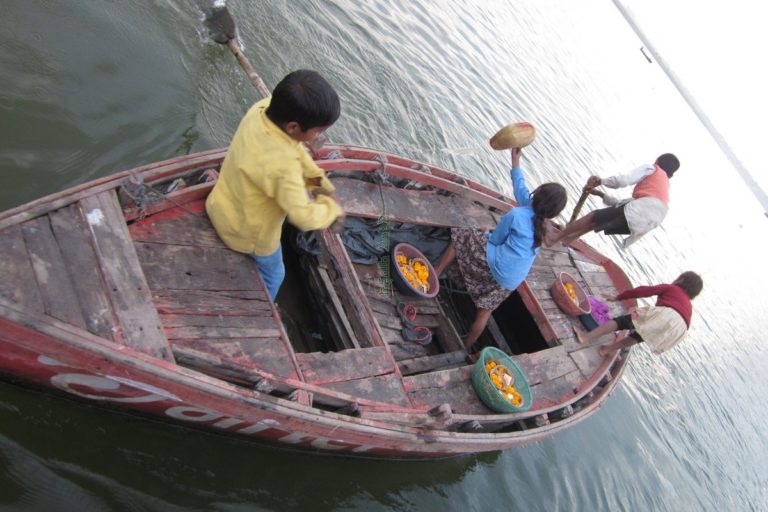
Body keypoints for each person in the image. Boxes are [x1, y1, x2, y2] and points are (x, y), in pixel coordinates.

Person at [206, 70, 345, 300]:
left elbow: (296, 152)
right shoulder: (284, 168)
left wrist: (323, 186)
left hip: (218, 204)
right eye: (319, 131)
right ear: (293, 127)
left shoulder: (261, 108)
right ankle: (263, 306)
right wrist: (332, 209)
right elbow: (304, 217)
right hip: (244, 235)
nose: (320, 136)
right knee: (275, 274)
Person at [433, 148, 567, 353]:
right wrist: (515, 161)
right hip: (510, 282)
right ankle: (465, 349)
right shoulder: (544, 225)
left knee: (462, 234)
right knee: (484, 312)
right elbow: (521, 189)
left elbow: (495, 240)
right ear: (554, 213)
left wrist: (485, 233)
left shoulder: (516, 214)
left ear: (538, 193)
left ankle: (434, 274)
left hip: (497, 264)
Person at [550, 153, 680, 248]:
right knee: (596, 222)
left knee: (592, 216)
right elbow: (624, 206)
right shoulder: (664, 187)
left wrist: (602, 181)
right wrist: (600, 194)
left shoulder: (652, 169)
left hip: (639, 213)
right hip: (648, 224)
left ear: (658, 160)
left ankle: (554, 239)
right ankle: (567, 240)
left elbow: (623, 181)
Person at [576, 271, 703, 357]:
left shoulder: (672, 289)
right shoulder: (688, 305)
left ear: (681, 280)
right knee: (638, 336)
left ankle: (585, 337)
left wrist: (619, 297)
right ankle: (607, 350)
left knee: (621, 322)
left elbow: (644, 291)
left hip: (668, 316)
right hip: (679, 330)